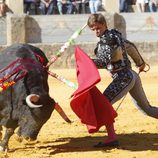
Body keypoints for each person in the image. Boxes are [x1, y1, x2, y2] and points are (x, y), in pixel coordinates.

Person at [87, 13, 158, 147]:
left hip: (123, 78)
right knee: (146, 108)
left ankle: (112, 138)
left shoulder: (106, 40)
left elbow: (103, 62)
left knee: (104, 104)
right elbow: (130, 47)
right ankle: (112, 137)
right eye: (94, 29)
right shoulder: (115, 35)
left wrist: (86, 62)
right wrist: (140, 63)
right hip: (131, 75)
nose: (97, 31)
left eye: (98, 28)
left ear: (104, 25)